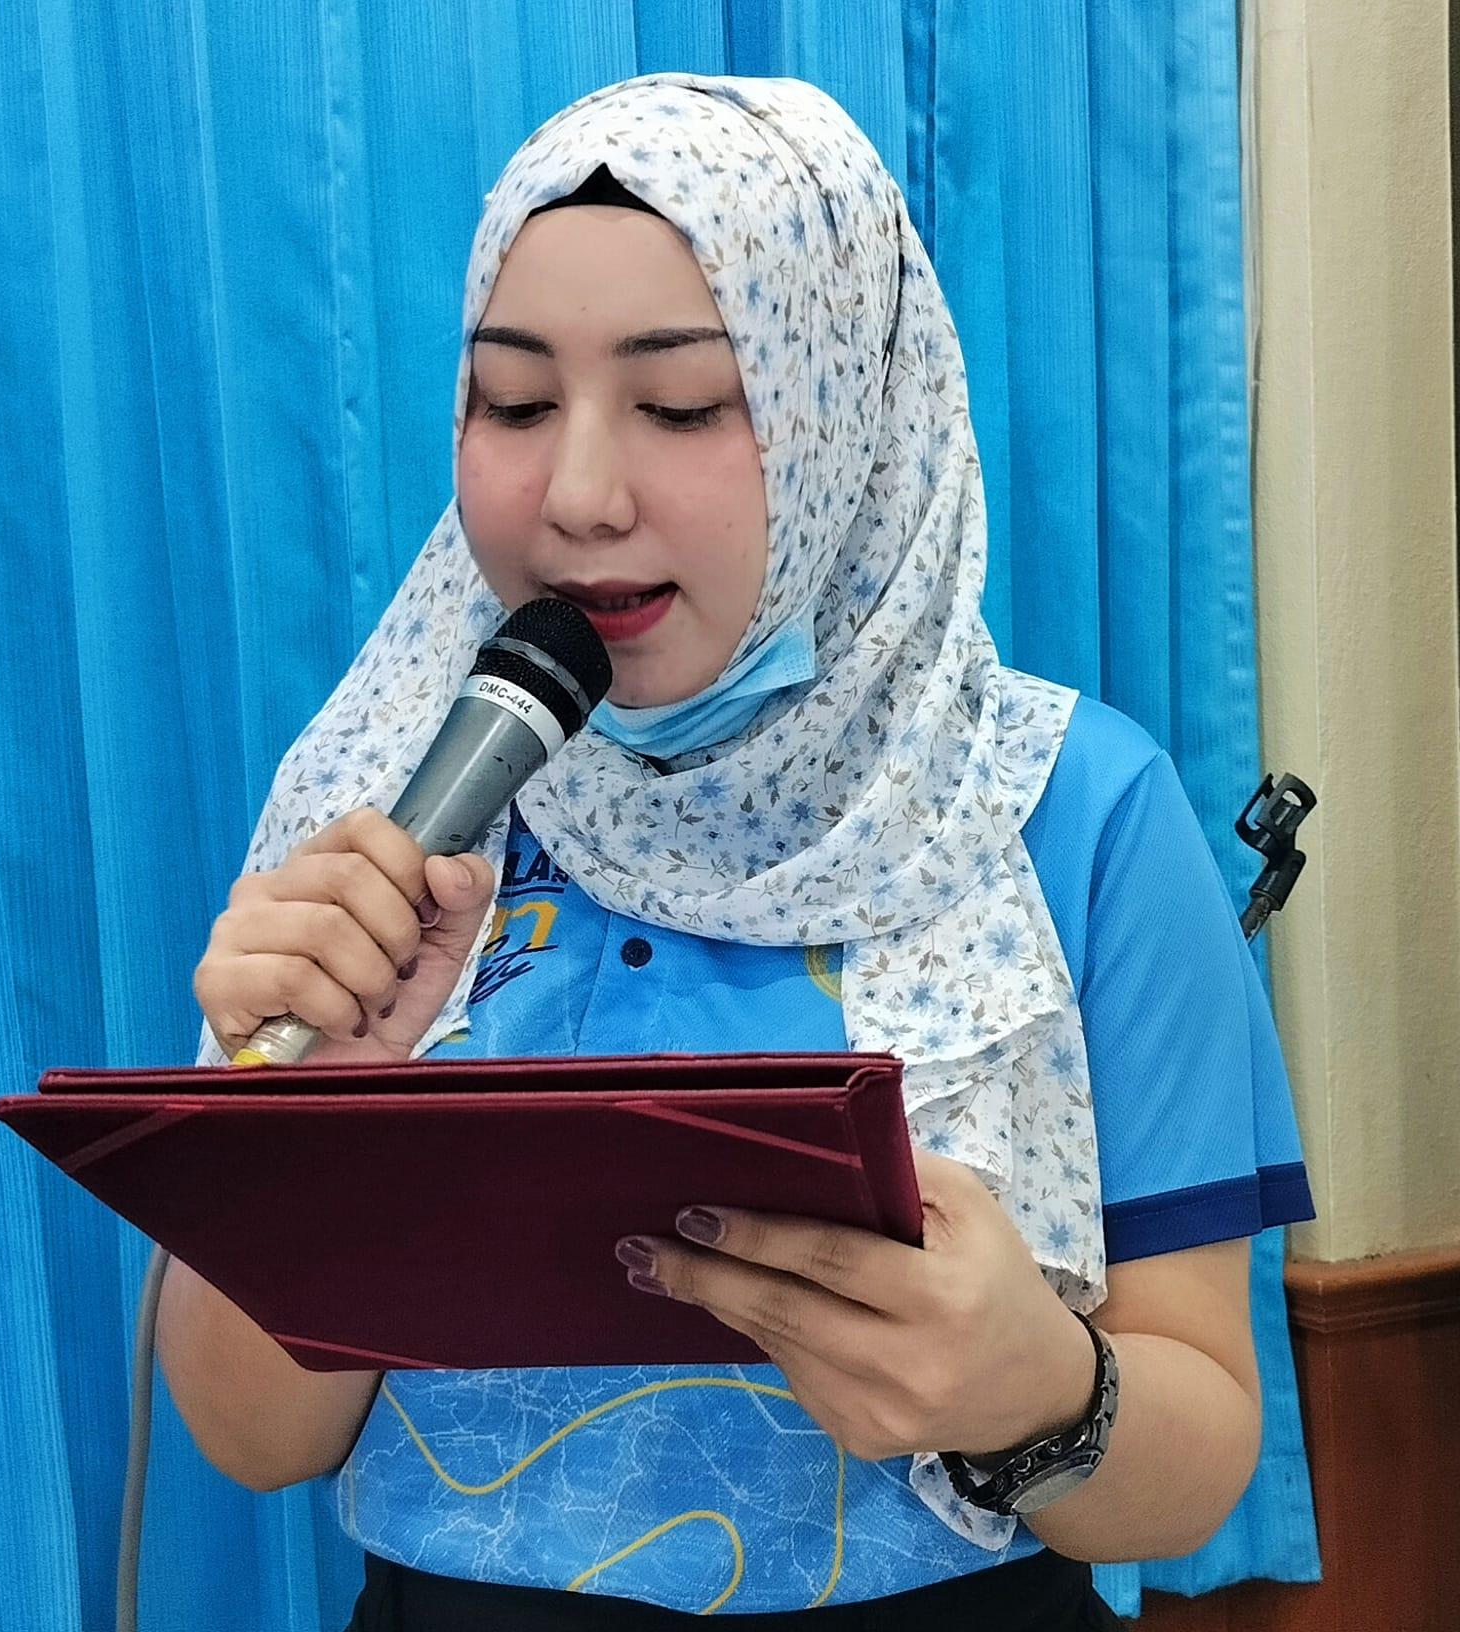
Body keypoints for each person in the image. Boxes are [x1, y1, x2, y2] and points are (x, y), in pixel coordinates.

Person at [161, 73, 1312, 1629]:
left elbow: (1194, 1466)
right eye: (513, 403)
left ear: (849, 416)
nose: (578, 495)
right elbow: (255, 1438)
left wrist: (1037, 1387)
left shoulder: (1071, 807)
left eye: (686, 404)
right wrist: (310, 1107)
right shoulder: (384, 805)